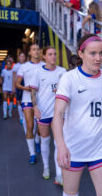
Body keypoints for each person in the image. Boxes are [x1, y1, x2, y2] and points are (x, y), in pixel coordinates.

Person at [52, 34, 102, 196]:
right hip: (74, 149)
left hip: (101, 150)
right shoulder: (69, 78)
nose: (98, 58)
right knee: (71, 194)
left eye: (101, 53)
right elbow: (58, 115)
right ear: (81, 54)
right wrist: (60, 146)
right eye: (92, 53)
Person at [30, 46, 66, 184]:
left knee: (59, 143)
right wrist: (35, 107)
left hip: (58, 113)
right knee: (45, 141)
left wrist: (62, 89)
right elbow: (33, 92)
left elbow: (67, 89)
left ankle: (59, 174)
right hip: (43, 112)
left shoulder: (62, 71)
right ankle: (46, 168)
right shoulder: (38, 72)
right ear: (44, 56)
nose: (53, 56)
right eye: (50, 54)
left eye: (55, 54)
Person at [16, 44, 42, 164]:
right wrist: (25, 88)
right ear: (30, 53)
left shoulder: (44, 65)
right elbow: (17, 83)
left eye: (38, 49)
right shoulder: (24, 67)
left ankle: (37, 140)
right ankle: (32, 153)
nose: (36, 52)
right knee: (30, 125)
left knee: (40, 127)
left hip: (42, 100)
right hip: (27, 99)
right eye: (34, 50)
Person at [13, 52, 26, 124]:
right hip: (18, 84)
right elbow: (14, 77)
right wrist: (13, 87)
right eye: (21, 56)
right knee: (19, 101)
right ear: (19, 57)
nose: (22, 57)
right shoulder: (15, 66)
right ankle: (21, 117)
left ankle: (24, 116)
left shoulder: (27, 65)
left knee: (25, 101)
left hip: (25, 84)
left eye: (23, 56)